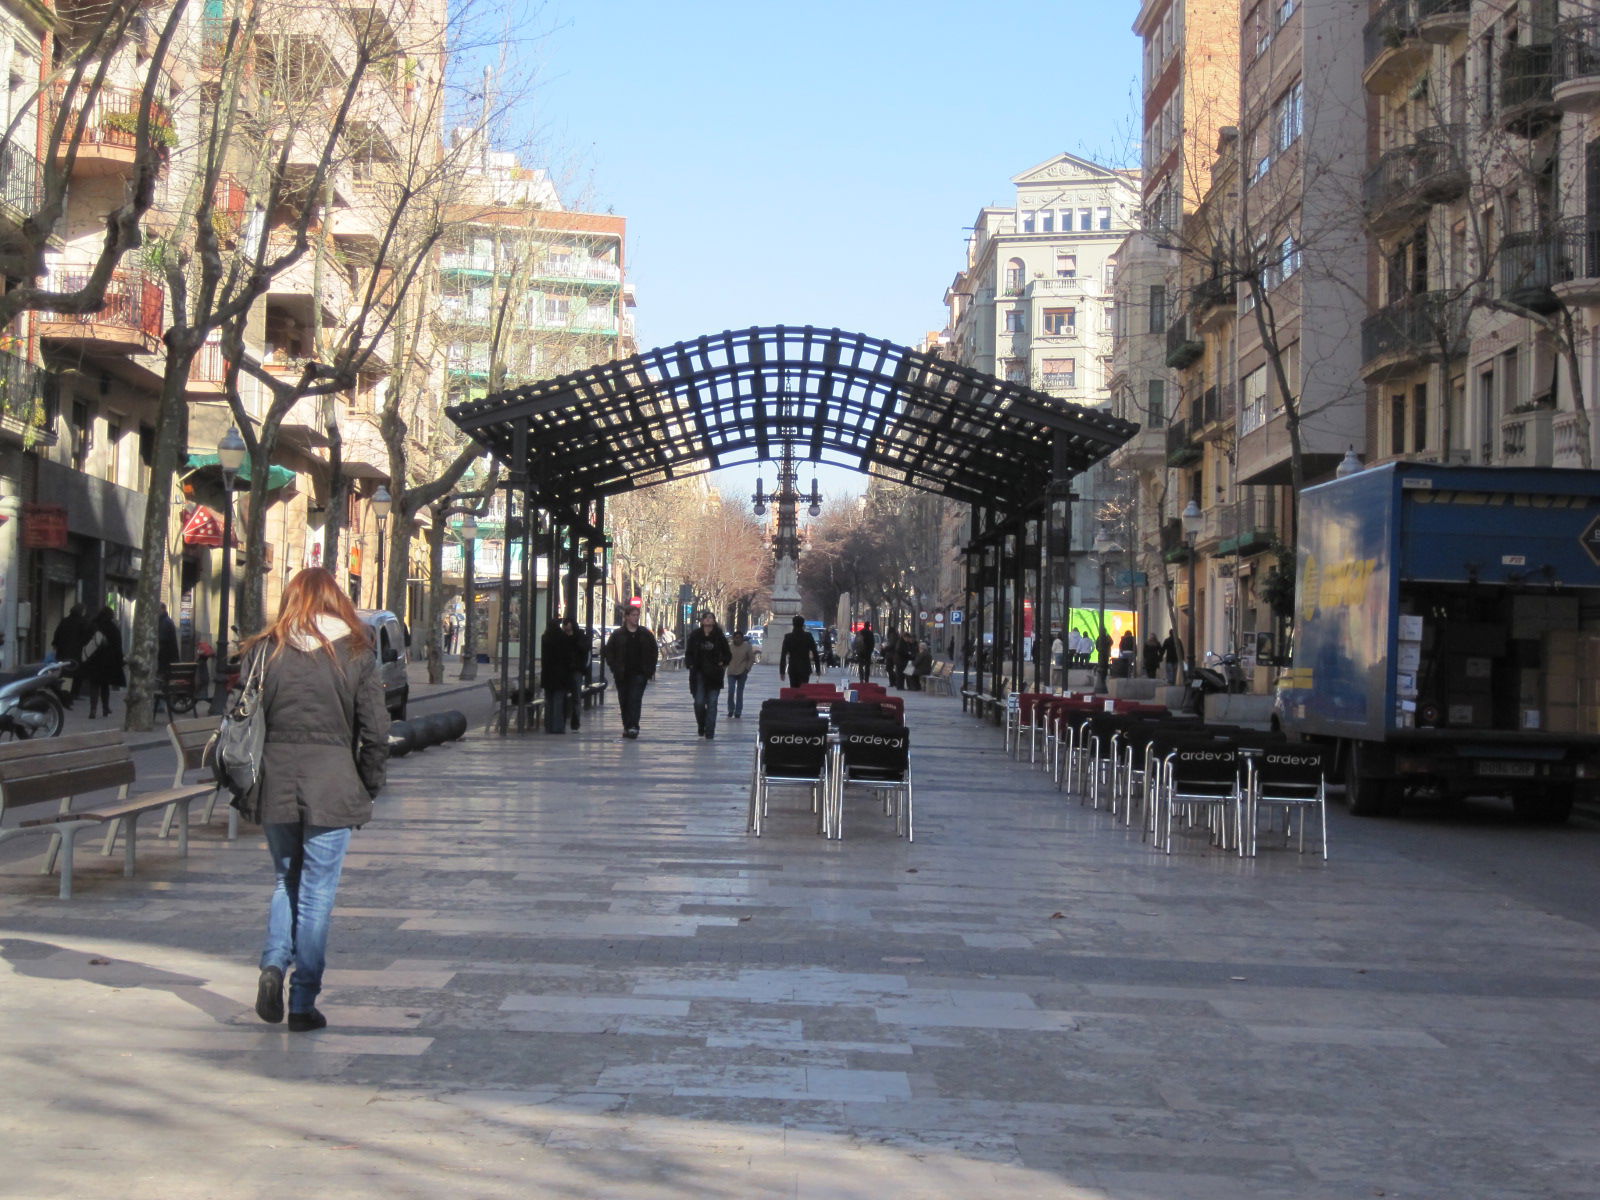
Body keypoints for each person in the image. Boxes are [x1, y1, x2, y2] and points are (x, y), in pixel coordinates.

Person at [242, 567, 389, 1034]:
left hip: (276, 781)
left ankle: (271, 964)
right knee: (318, 893)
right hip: (332, 784)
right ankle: (302, 1003)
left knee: (286, 878)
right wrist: (368, 784)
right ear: (335, 600)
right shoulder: (357, 651)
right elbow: (376, 731)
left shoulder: (265, 650)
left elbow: (242, 718)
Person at [604, 604, 658, 739]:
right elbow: (609, 652)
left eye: (637, 615)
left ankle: (633, 726)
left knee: (635, 699)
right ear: (626, 617)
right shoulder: (618, 634)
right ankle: (627, 726)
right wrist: (614, 666)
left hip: (640, 673)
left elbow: (653, 651)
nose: (636, 618)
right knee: (624, 700)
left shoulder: (645, 634)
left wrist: (649, 670)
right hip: (622, 673)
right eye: (633, 615)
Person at [684, 612, 732, 738]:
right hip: (698, 674)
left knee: (712, 703)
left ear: (714, 621)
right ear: (702, 621)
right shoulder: (695, 636)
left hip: (715, 675)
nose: (708, 620)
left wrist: (722, 663)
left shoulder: (719, 636)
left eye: (711, 618)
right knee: (699, 702)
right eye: (706, 617)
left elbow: (728, 654)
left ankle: (710, 730)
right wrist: (690, 664)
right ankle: (701, 724)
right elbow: (688, 653)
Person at [78, 606, 126, 720]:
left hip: (93, 662)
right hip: (107, 663)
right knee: (105, 686)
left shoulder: (92, 626)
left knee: (94, 686)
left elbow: (84, 642)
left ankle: (93, 709)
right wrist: (120, 661)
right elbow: (117, 647)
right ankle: (105, 708)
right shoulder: (113, 629)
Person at [51, 603, 89, 707]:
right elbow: (86, 637)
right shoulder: (83, 622)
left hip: (63, 651)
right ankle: (74, 693)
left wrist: (55, 645)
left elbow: (57, 633)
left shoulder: (65, 621)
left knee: (62, 671)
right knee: (78, 673)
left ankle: (58, 691)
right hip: (77, 652)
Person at [539, 618, 568, 734]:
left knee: (549, 701)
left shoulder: (545, 637)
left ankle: (548, 725)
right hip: (560, 675)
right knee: (558, 701)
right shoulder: (562, 637)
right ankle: (558, 727)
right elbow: (566, 656)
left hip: (547, 674)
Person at [561, 616, 590, 730]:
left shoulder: (580, 636)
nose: (565, 626)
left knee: (576, 696)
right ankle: (562, 718)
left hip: (577, 670)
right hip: (564, 670)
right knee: (564, 695)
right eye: (564, 624)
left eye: (566, 623)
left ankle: (575, 720)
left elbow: (585, 649)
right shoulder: (562, 637)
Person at [778, 615, 820, 689]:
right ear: (803, 625)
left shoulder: (788, 637)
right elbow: (815, 653)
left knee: (794, 691)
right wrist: (818, 669)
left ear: (793, 624)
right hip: (805, 667)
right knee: (804, 691)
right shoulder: (808, 636)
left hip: (793, 668)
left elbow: (783, 655)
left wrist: (782, 671)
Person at [725, 630, 756, 719]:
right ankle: (731, 709)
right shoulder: (730, 647)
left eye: (739, 638)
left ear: (742, 638)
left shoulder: (747, 646)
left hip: (742, 671)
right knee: (731, 691)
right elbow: (725, 658)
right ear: (733, 638)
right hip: (731, 672)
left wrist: (747, 669)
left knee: (739, 692)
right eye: (736, 638)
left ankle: (738, 711)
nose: (737, 639)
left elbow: (751, 658)